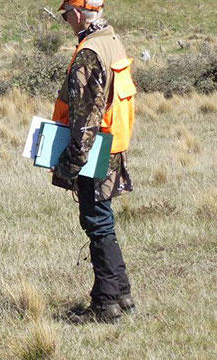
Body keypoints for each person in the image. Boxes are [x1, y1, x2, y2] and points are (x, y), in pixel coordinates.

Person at [52, 0, 137, 323]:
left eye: (65, 16)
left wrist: (70, 164)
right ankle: (122, 294)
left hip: (94, 150)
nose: (66, 21)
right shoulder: (112, 41)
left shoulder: (89, 52)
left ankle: (105, 305)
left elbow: (87, 117)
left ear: (76, 14)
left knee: (97, 222)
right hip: (112, 146)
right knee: (103, 220)